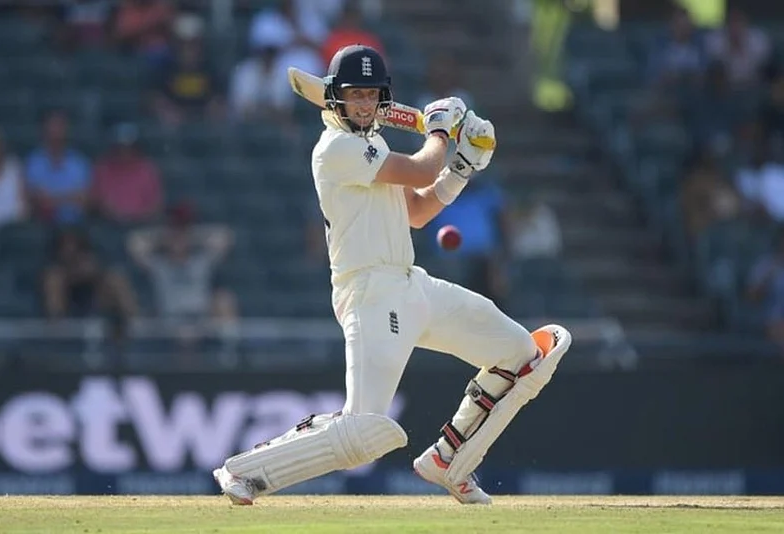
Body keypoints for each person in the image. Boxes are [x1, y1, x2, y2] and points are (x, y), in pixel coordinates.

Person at [212, 45, 571, 505]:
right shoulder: (335, 148)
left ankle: (450, 460)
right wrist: (440, 130)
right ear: (335, 97)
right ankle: (245, 470)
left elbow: (417, 211)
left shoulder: (373, 144)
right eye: (354, 94)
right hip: (370, 294)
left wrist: (462, 167)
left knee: (522, 354)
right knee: (364, 432)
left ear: (383, 98)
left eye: (371, 94)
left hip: (411, 283)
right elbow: (421, 168)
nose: (363, 104)